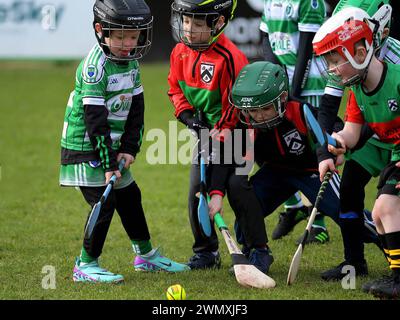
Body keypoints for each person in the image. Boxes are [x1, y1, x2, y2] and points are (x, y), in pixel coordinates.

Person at [207, 61, 379, 277]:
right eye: (251, 110)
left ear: (282, 99)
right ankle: (256, 253)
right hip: (275, 173)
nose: (258, 116)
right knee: (245, 215)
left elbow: (332, 127)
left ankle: (388, 238)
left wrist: (334, 144)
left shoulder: (299, 111)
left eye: (265, 108)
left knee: (347, 215)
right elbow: (226, 156)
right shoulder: (244, 121)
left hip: (311, 171)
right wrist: (215, 194)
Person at [59, 0, 189, 283]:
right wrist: (108, 163)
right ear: (100, 30)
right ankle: (85, 265)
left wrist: (130, 149)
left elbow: (136, 110)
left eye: (133, 36)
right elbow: (95, 122)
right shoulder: (95, 68)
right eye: (119, 36)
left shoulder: (130, 62)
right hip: (86, 146)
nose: (127, 43)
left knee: (130, 197)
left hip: (113, 147)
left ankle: (144, 256)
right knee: (104, 203)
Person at [313, 6, 400, 299]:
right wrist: (335, 144)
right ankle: (357, 263)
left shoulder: (397, 77)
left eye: (336, 62)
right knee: (362, 199)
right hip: (383, 142)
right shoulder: (356, 88)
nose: (332, 70)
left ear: (360, 53)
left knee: (385, 209)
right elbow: (351, 132)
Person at [168, 0, 250, 270]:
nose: (189, 29)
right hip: (205, 129)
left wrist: (214, 135)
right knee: (197, 190)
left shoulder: (230, 59)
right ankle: (206, 252)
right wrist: (189, 117)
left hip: (237, 133)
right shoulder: (180, 52)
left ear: (219, 23)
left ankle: (253, 249)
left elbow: (233, 109)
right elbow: (175, 90)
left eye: (198, 23)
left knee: (236, 190)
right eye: (187, 20)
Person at [259, 0, 330, 244]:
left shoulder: (310, 2)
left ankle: (318, 224)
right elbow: (265, 38)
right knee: (274, 147)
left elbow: (308, 48)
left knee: (316, 150)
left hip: (310, 86)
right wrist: (275, 76)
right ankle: (294, 206)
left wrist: (295, 93)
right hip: (281, 88)